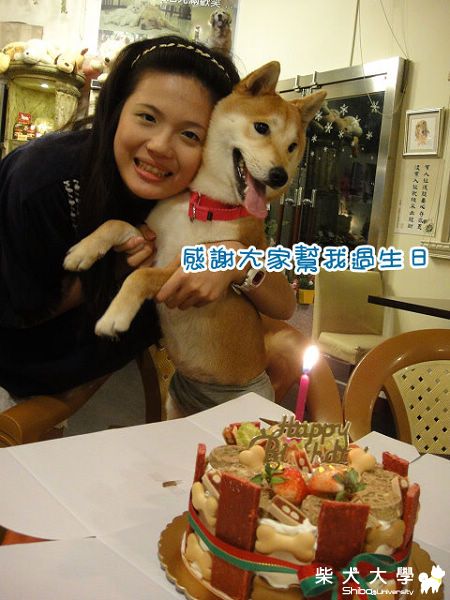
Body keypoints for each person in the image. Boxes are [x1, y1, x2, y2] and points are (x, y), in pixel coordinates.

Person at [0, 35, 296, 417]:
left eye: (190, 134)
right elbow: (22, 308)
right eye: (147, 117)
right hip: (22, 381)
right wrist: (119, 268)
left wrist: (236, 260)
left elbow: (282, 302)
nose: (160, 146)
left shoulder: (201, 192)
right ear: (116, 108)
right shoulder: (43, 182)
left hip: (121, 371)